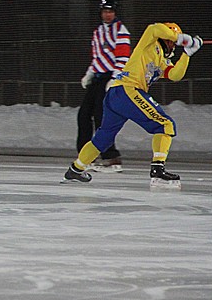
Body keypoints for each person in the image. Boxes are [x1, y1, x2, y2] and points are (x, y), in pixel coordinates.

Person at [63, 22, 203, 190]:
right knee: (165, 124)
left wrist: (187, 54)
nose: (174, 45)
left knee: (103, 138)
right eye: (172, 40)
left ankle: (75, 169)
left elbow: (175, 75)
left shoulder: (163, 61)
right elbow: (154, 28)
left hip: (115, 95)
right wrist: (181, 38)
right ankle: (158, 170)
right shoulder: (151, 41)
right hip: (128, 90)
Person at [76, 0, 132, 171]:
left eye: (110, 12)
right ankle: (85, 154)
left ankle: (110, 155)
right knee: (84, 115)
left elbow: (122, 58)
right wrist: (90, 73)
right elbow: (97, 57)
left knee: (102, 117)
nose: (107, 15)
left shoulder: (121, 31)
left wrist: (115, 78)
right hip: (98, 76)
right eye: (105, 11)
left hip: (110, 77)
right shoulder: (98, 32)